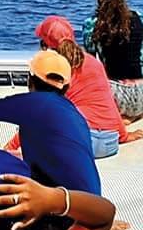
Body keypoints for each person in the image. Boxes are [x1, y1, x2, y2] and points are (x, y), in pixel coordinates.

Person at [0, 50, 102, 195]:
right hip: (90, 201)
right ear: (66, 87)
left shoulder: (32, 103)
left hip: (63, 202)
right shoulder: (72, 110)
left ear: (30, 80)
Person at [25, 15, 142, 158]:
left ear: (46, 45)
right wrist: (124, 136)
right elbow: (108, 102)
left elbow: (40, 113)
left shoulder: (52, 68)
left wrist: (9, 146)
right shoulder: (93, 62)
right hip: (110, 143)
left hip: (80, 143)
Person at [82, 0, 143, 122]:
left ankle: (119, 116)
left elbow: (91, 62)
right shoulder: (140, 19)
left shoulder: (92, 24)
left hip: (114, 96)